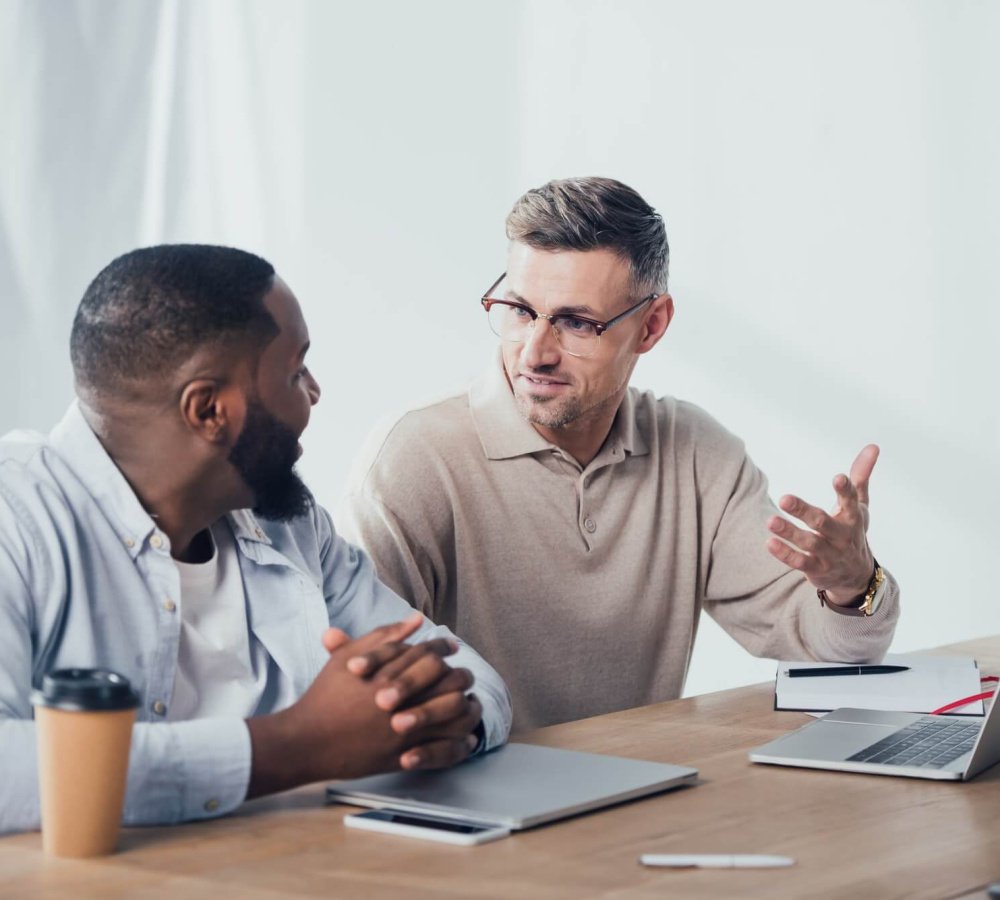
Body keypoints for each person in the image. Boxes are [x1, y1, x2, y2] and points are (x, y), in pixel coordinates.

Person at [340, 176, 900, 731]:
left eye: (576, 322)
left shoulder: (696, 454)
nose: (535, 352)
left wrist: (853, 585)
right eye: (518, 310)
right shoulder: (414, 457)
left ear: (651, 325)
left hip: (640, 795)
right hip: (470, 796)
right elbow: (357, 693)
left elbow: (830, 653)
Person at [0, 244, 511, 835]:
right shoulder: (18, 522)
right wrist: (296, 746)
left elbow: (464, 672)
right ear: (209, 409)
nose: (315, 393)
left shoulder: (289, 523)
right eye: (296, 371)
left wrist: (449, 721)